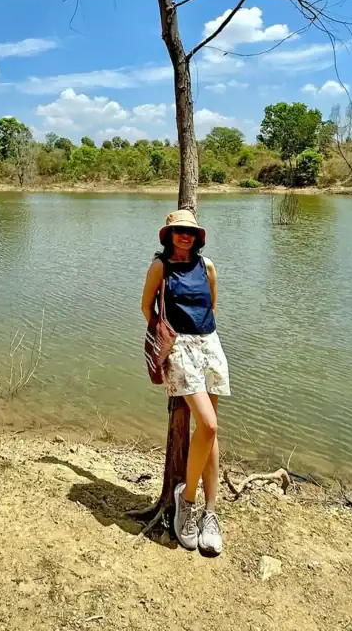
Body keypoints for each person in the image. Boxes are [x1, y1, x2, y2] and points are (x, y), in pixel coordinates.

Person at [140, 209, 230, 554]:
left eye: (189, 232)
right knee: (207, 424)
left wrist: (204, 339)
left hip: (209, 344)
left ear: (197, 237)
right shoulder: (160, 267)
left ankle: (211, 512)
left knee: (211, 430)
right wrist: (168, 339)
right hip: (179, 348)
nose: (184, 236)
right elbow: (146, 306)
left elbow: (213, 306)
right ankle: (186, 500)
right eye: (178, 231)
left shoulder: (207, 267)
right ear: (168, 234)